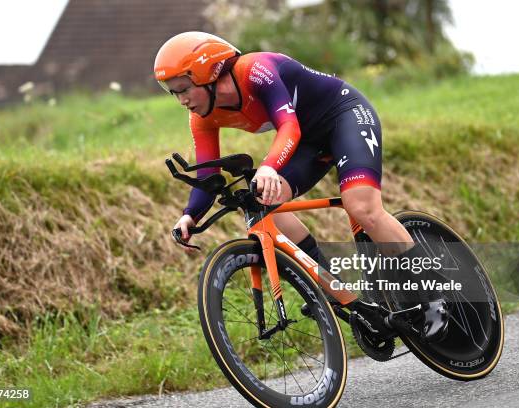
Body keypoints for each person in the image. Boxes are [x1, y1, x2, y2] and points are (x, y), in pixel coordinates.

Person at [154, 31, 448, 341]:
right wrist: (191, 215)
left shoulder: (256, 70)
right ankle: (331, 287)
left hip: (344, 116)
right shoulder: (201, 117)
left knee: (362, 207)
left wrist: (268, 166)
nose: (182, 100)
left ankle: (435, 293)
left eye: (184, 89)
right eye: (174, 93)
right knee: (261, 201)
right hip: (310, 143)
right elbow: (207, 173)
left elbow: (288, 126)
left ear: (209, 74)